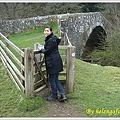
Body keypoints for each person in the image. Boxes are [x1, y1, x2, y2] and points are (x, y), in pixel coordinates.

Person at [40, 26, 67, 102]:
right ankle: (62, 94)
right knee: (56, 79)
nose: (46, 32)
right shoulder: (53, 38)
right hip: (56, 61)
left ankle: (54, 96)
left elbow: (47, 51)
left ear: (51, 32)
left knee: (52, 80)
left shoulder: (51, 40)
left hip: (52, 62)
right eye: (45, 30)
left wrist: (42, 49)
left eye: (47, 31)